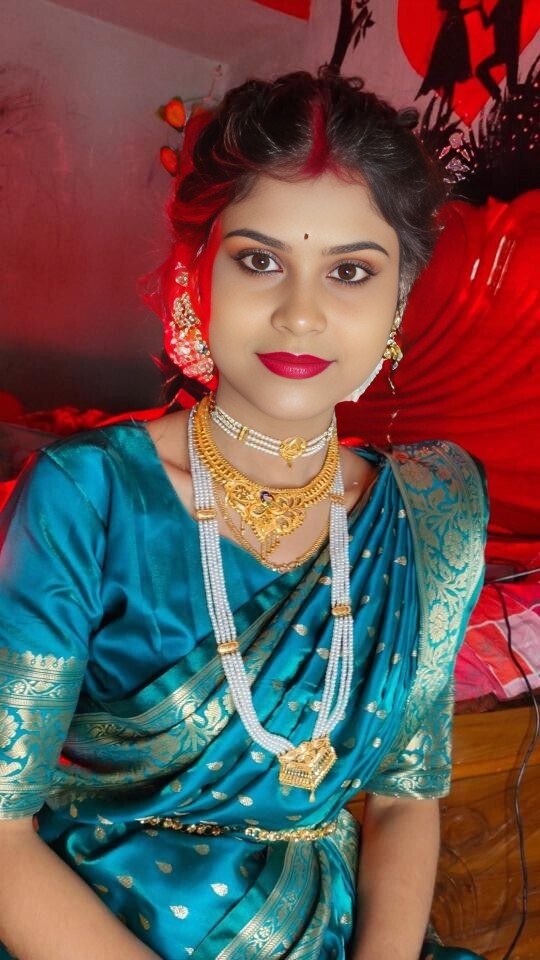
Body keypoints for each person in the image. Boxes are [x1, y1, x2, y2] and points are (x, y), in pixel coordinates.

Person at [0, 70, 488, 960]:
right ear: (198, 271)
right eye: (260, 261)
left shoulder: (431, 514)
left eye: (350, 272)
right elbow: (1, 830)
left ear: (401, 296)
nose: (300, 315)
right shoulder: (87, 496)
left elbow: (405, 796)